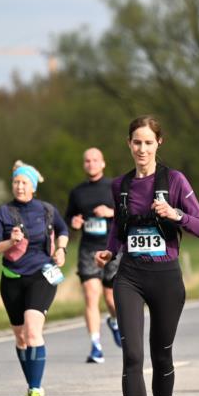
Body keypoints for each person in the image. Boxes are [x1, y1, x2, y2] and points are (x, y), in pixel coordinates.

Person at [94, 116, 199, 396]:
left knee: (161, 357)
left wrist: (176, 215)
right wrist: (109, 250)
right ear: (128, 144)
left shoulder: (174, 180)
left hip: (165, 278)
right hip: (129, 276)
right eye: (136, 142)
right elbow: (119, 225)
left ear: (160, 143)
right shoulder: (121, 185)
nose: (142, 149)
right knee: (132, 358)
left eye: (148, 142)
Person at [0, 162, 69, 396]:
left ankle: (35, 389)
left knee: (33, 331)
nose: (19, 186)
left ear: (33, 186)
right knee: (21, 337)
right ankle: (31, 383)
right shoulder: (5, 212)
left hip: (42, 275)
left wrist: (61, 248)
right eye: (16, 182)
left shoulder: (47, 210)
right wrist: (9, 241)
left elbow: (63, 230)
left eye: (24, 182)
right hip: (11, 279)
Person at [65, 147, 121, 364]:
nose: (91, 164)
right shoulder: (77, 192)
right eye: (87, 160)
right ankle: (96, 346)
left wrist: (110, 213)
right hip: (88, 248)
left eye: (95, 160)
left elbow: (129, 213)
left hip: (112, 247)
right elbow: (69, 218)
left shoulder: (114, 187)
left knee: (111, 298)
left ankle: (115, 322)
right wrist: (74, 223)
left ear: (103, 163)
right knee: (91, 295)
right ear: (84, 164)